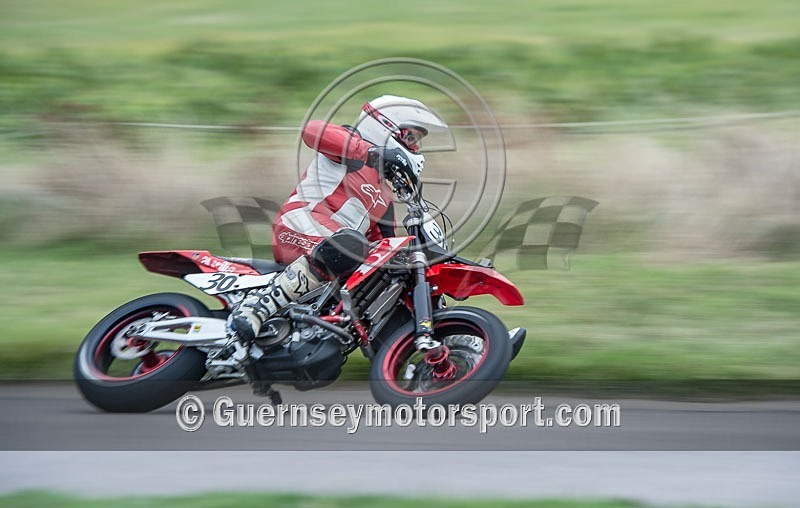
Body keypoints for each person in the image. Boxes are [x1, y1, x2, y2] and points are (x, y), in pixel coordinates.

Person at [228, 95, 449, 342]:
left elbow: (384, 244)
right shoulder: (350, 145)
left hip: (336, 249)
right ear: (385, 126)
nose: (415, 147)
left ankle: (443, 337)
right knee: (351, 244)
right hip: (299, 227)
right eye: (410, 137)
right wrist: (370, 151)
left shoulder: (385, 195)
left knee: (390, 272)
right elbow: (312, 131)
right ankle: (257, 307)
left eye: (417, 141)